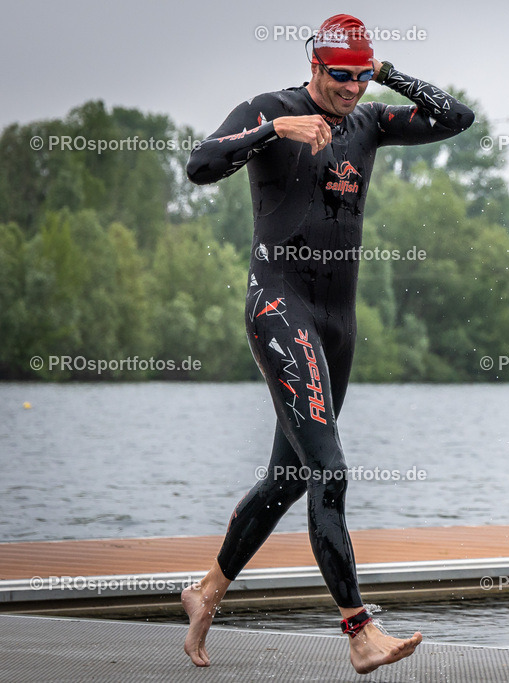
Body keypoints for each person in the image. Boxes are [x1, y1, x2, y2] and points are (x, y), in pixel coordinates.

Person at [180, 13, 474, 674]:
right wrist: (272, 132)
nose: (351, 87)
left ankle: (205, 592)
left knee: (287, 477)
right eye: (341, 75)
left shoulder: (368, 119)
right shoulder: (272, 110)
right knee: (331, 471)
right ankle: (359, 630)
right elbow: (199, 165)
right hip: (279, 306)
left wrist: (392, 76)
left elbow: (459, 119)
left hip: (337, 323)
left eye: (362, 75)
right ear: (314, 66)